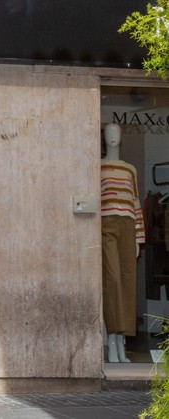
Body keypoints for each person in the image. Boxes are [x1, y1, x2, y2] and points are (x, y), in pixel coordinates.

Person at [101, 122, 145, 363]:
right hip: (106, 225)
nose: (113, 136)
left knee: (128, 281)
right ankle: (111, 338)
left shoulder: (130, 169)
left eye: (117, 132)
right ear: (104, 137)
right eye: (109, 132)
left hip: (128, 225)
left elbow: (136, 202)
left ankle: (121, 342)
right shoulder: (98, 166)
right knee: (112, 280)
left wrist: (139, 236)